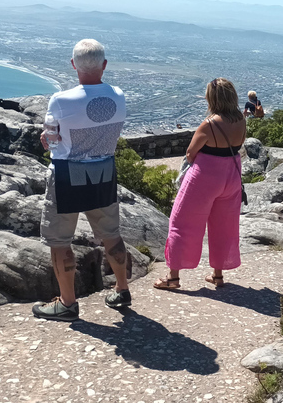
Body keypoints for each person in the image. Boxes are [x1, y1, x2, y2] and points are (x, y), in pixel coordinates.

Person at [32, 39, 130, 322]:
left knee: (60, 241)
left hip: (67, 175)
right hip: (104, 172)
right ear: (104, 65)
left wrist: (49, 140)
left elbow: (50, 140)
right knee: (111, 233)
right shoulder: (119, 95)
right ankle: (122, 289)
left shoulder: (61, 100)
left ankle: (67, 303)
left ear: (74, 65)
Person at [154, 78, 245, 290]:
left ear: (211, 98)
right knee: (224, 226)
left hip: (205, 178)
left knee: (181, 222)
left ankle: (173, 277)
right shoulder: (241, 119)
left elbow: (190, 153)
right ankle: (217, 275)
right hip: (232, 176)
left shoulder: (210, 124)